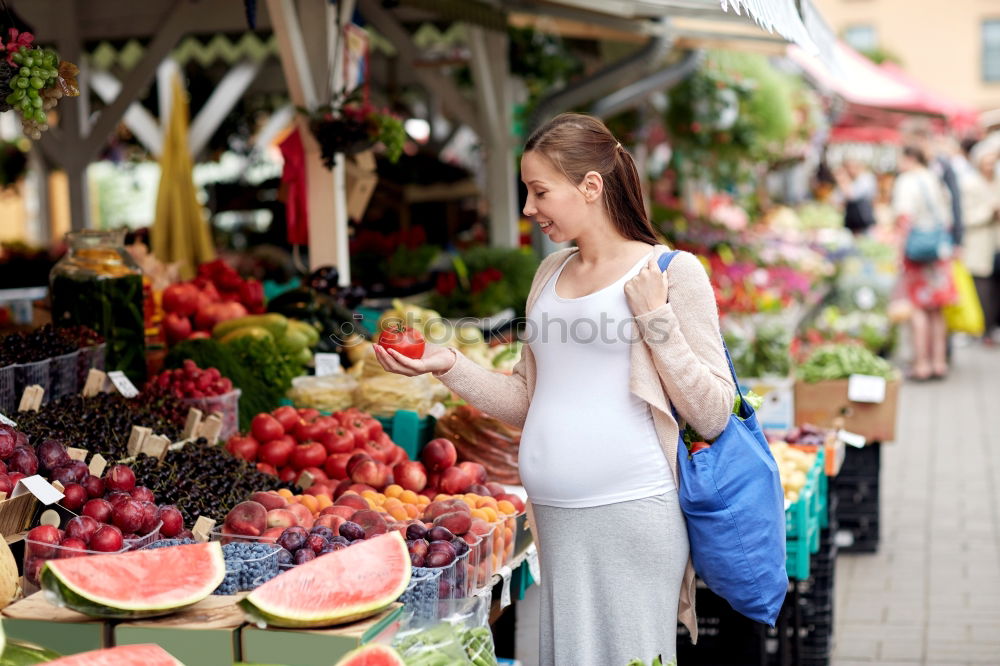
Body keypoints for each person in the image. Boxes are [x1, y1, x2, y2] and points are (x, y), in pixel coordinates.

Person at [374, 113, 735, 665]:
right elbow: (526, 399)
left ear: (591, 187)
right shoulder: (549, 274)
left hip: (631, 512)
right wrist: (447, 365)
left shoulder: (671, 272)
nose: (527, 208)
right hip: (555, 516)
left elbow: (713, 413)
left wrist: (656, 319)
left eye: (539, 191)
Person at [893, 145, 957, 380]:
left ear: (909, 157)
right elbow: (948, 217)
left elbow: (904, 218)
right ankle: (939, 363)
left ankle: (921, 364)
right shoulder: (934, 178)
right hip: (939, 252)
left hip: (916, 253)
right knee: (937, 308)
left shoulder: (907, 181)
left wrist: (898, 252)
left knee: (918, 308)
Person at [956, 142, 1000, 344]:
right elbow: (965, 217)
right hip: (980, 244)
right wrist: (989, 211)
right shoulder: (970, 184)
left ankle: (993, 326)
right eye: (987, 162)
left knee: (996, 288)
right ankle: (985, 329)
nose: (990, 166)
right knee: (983, 289)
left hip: (997, 243)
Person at [834, 158, 877, 234]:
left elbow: (852, 195)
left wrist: (842, 179)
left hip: (864, 222)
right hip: (850, 222)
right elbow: (836, 199)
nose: (850, 170)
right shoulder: (850, 180)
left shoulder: (866, 179)